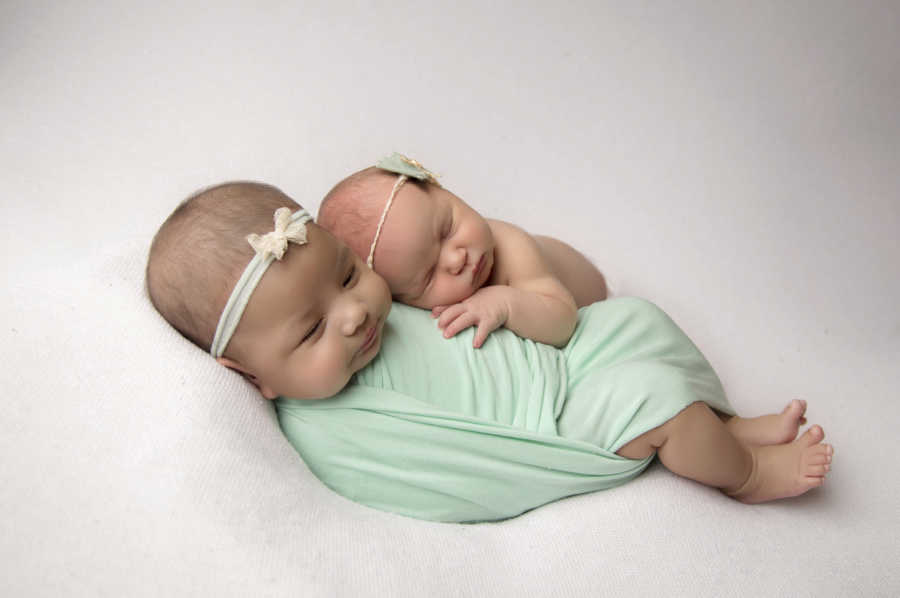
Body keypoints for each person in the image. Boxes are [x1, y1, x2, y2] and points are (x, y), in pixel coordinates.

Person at [146, 181, 833, 523]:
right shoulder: (330, 427)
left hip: (559, 366)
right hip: (551, 426)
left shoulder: (379, 314)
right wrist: (546, 458)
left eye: (350, 273)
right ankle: (744, 473)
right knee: (656, 402)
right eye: (310, 331)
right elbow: (446, 476)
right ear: (252, 377)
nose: (355, 315)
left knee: (635, 319)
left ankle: (727, 420)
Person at [317, 153, 608, 348]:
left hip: (591, 304)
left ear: (444, 190)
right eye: (429, 275)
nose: (457, 259)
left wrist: (505, 304)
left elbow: (564, 322)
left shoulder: (511, 246)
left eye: (447, 230)